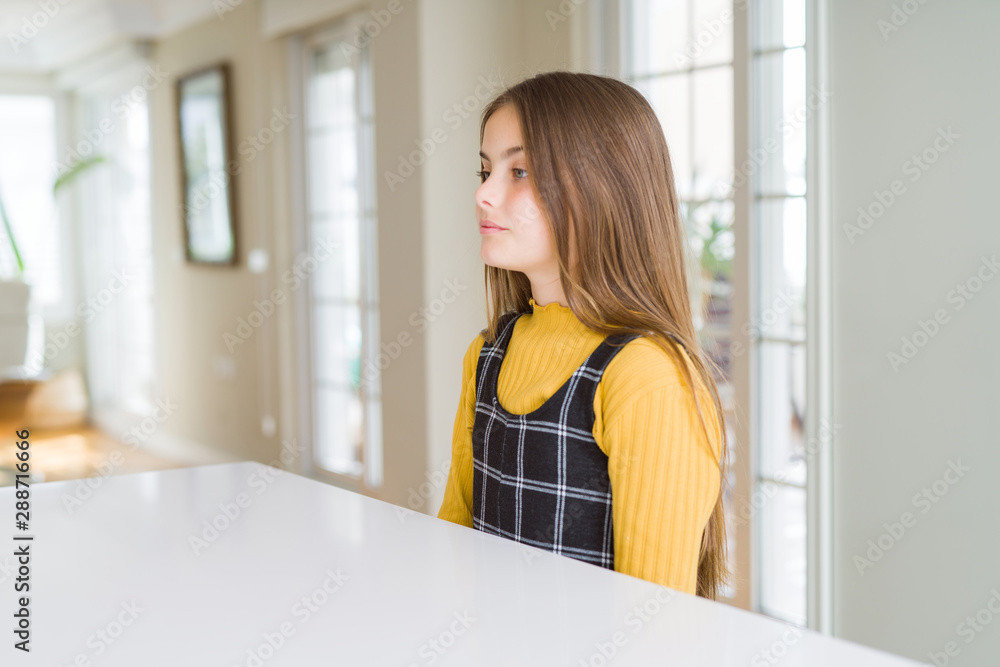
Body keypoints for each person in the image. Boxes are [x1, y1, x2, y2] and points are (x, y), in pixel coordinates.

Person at [436, 70, 729, 600]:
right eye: (485, 170)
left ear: (602, 187)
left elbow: (655, 628)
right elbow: (454, 551)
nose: (483, 193)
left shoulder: (647, 378)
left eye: (519, 170)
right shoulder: (485, 356)